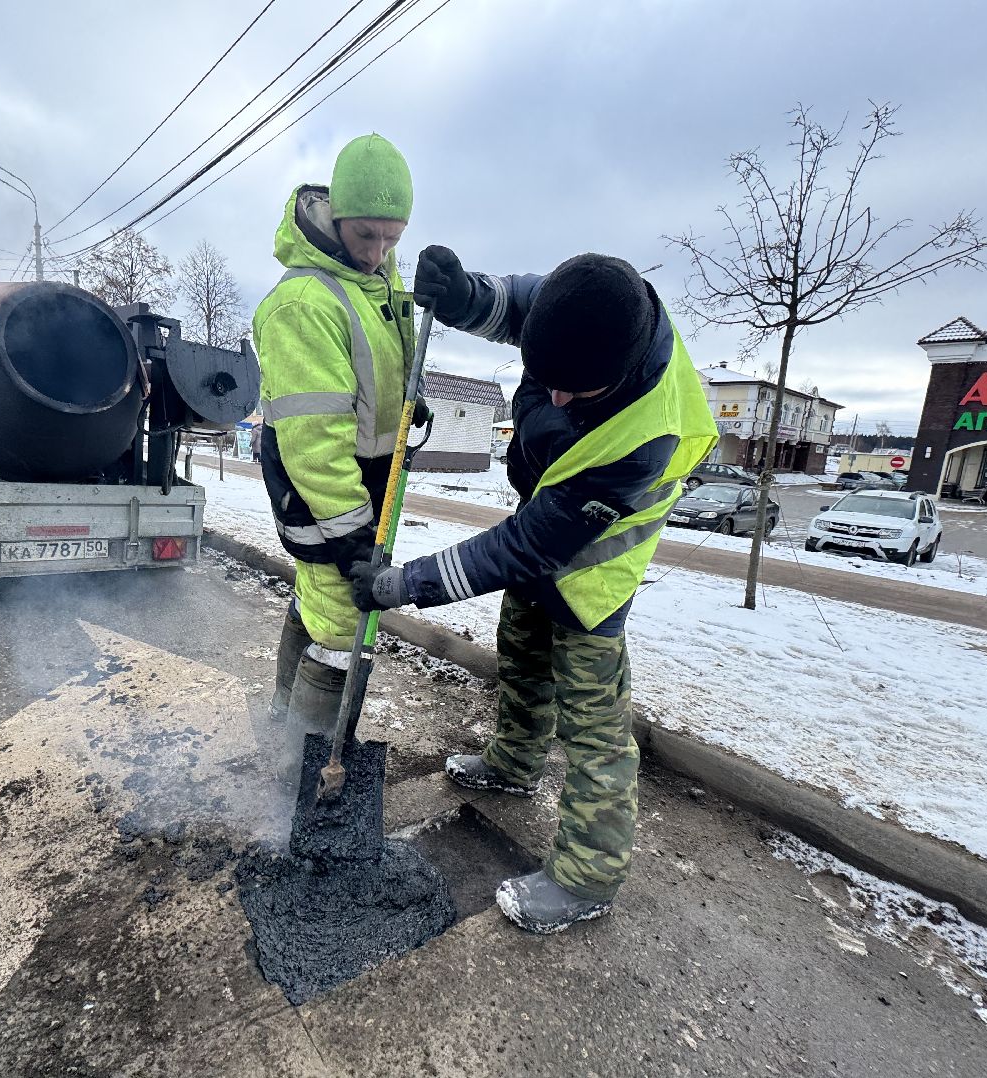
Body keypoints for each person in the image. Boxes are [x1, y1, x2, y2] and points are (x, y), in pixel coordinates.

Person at [349, 246, 718, 934]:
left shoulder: (642, 442)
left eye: (573, 394)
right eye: (547, 381)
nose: (553, 398)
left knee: (592, 725)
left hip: (592, 575)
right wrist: (464, 297)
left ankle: (588, 877)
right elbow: (519, 304)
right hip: (544, 522)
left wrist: (405, 585)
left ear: (615, 377)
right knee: (520, 652)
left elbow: (520, 549)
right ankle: (514, 761)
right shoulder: (587, 300)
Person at [252, 133, 425, 785]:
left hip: (368, 485)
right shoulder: (304, 303)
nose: (380, 253)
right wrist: (355, 534)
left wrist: (415, 395)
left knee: (314, 605)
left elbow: (386, 350)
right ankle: (300, 775)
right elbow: (314, 443)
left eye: (392, 238)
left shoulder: (379, 274)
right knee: (341, 623)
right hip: (322, 492)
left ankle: (280, 728)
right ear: (337, 217)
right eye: (367, 236)